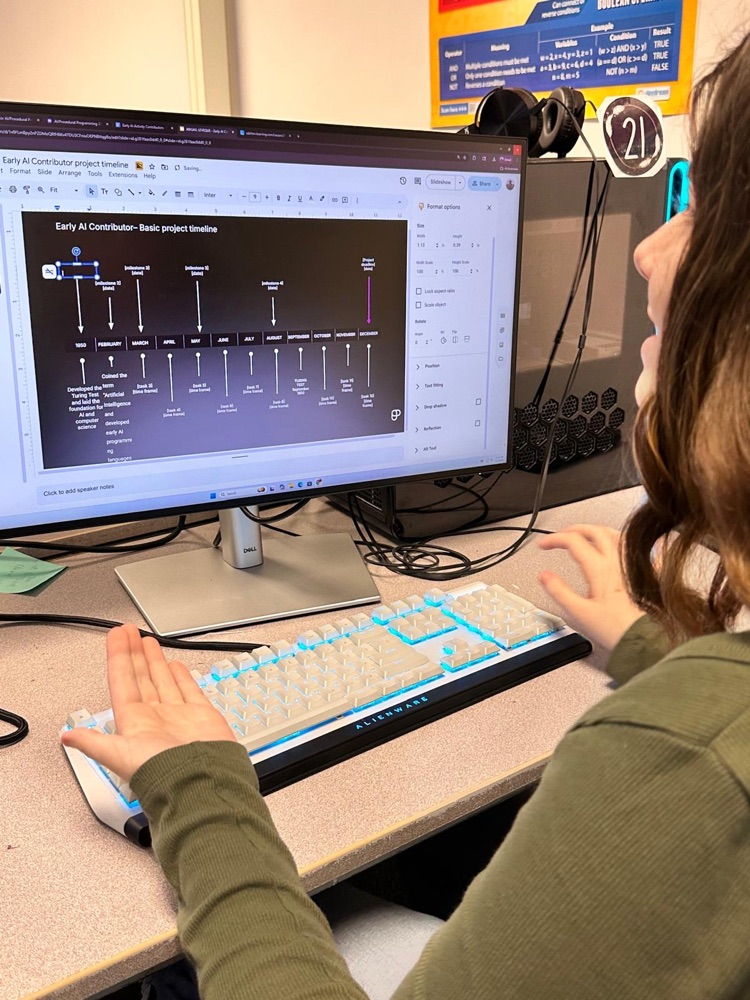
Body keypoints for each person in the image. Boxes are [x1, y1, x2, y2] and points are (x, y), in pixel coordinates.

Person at [63, 31, 750, 1000]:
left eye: (712, 207)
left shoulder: (694, 749)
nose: (651, 245)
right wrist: (659, 659)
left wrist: (197, 786)